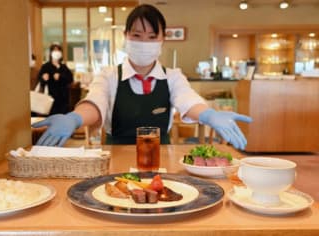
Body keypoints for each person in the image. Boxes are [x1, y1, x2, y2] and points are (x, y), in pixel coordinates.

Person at [32, 4, 252, 149]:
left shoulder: (172, 77)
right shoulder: (109, 75)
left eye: (151, 36)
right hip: (115, 156)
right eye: (137, 35)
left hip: (161, 158)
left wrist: (208, 115)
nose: (144, 42)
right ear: (125, 36)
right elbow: (95, 101)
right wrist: (75, 118)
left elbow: (187, 99)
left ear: (162, 39)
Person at [37, 43, 73, 115]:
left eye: (58, 50)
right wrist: (43, 78)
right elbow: (40, 80)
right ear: (50, 53)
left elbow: (70, 79)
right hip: (50, 99)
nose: (56, 52)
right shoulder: (46, 66)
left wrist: (60, 76)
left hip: (63, 100)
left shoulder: (63, 67)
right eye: (54, 50)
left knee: (63, 119)